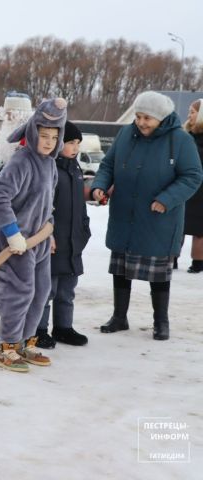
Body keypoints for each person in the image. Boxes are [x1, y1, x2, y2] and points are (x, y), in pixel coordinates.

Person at [91, 91, 203, 341]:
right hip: (124, 214)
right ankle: (119, 317)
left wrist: (166, 199)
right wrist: (100, 184)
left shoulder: (180, 140)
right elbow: (108, 164)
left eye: (148, 118)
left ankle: (160, 322)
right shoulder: (125, 134)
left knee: (159, 274)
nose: (141, 122)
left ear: (162, 118)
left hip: (158, 218)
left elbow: (193, 176)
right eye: (139, 116)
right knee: (120, 269)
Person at [0, 97, 68, 373]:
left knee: (41, 292)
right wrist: (11, 232)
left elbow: (45, 204)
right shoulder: (22, 161)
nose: (48, 142)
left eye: (54, 137)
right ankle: (6, 346)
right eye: (44, 136)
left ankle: (24, 341)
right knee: (20, 293)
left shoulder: (50, 165)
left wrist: (49, 230)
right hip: (16, 243)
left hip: (40, 241)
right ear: (32, 133)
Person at [35, 121, 91, 349]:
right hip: (53, 240)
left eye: (77, 143)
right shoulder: (50, 169)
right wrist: (46, 234)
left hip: (73, 240)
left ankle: (63, 327)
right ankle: (38, 330)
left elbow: (81, 205)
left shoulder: (75, 169)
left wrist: (84, 228)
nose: (75, 147)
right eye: (70, 142)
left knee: (67, 289)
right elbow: (42, 206)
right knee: (46, 289)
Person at [183, 99, 203, 273]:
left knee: (199, 229)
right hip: (184, 185)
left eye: (193, 112)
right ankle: (170, 258)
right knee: (177, 224)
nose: (189, 115)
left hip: (201, 190)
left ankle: (198, 262)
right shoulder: (184, 135)